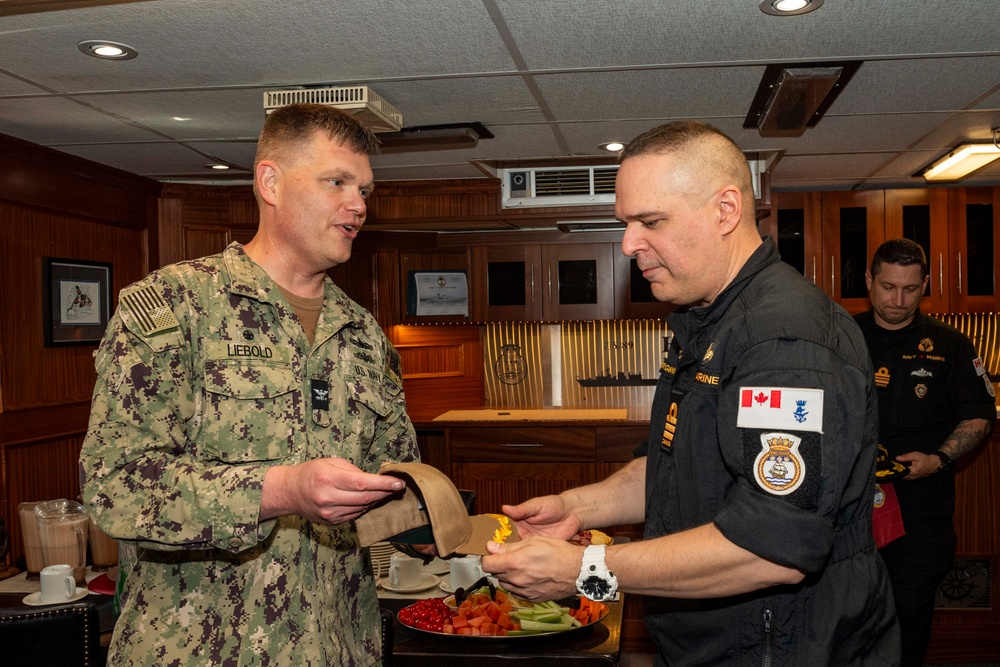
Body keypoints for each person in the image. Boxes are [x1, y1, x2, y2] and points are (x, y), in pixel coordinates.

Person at [482, 120, 900, 665]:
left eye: (650, 221)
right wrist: (575, 508)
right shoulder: (705, 320)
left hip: (784, 646)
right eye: (626, 223)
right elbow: (674, 465)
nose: (629, 244)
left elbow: (772, 550)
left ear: (726, 210)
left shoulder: (783, 341)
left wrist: (582, 571)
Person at [79, 103, 420, 666]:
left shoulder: (364, 336)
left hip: (336, 649)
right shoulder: (174, 306)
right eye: (338, 181)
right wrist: (282, 490)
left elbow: (391, 482)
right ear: (271, 182)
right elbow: (115, 486)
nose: (358, 205)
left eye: (364, 190)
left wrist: (456, 523)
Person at [855, 238, 995, 667]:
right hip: (849, 511)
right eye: (888, 287)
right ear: (869, 281)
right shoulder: (839, 337)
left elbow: (978, 418)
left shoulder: (951, 345)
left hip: (921, 514)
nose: (898, 299)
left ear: (926, 285)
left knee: (908, 621)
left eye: (911, 289)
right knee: (848, 619)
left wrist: (939, 459)